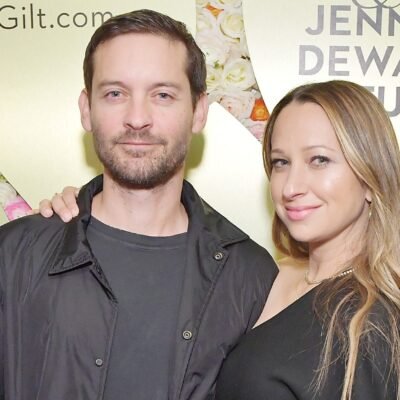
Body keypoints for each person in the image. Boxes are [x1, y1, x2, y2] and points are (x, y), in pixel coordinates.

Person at [0, 9, 277, 400]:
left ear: (198, 111)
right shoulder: (13, 255)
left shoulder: (249, 275)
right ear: (86, 109)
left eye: (162, 95)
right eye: (115, 93)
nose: (137, 118)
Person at [215, 80, 400, 399]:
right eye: (281, 162)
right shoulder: (263, 274)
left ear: (370, 178)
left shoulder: (372, 323)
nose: (290, 188)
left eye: (319, 160)